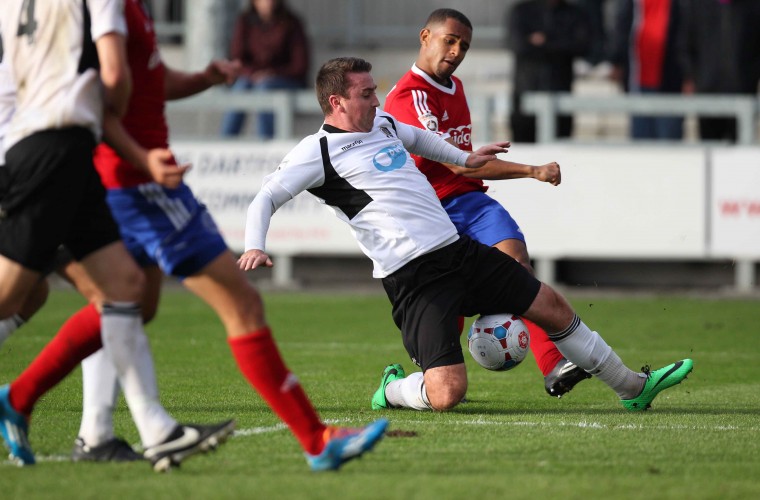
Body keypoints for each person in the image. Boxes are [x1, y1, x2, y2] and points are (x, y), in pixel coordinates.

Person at [2, 0, 388, 472]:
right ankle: (314, 438)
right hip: (136, 182)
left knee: (126, 302)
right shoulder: (106, 6)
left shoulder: (130, 9)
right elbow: (108, 88)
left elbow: (147, 79)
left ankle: (24, 400)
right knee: (238, 303)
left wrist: (204, 77)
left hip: (120, 173)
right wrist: (140, 155)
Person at [238, 56, 694, 414]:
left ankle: (632, 387)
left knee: (550, 304)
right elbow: (265, 198)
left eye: (375, 91)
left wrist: (467, 157)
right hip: (414, 278)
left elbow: (425, 144)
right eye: (366, 94)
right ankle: (394, 389)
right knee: (448, 393)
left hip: (458, 252)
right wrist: (255, 244)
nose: (377, 101)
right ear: (336, 102)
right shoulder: (314, 152)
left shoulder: (383, 126)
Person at [0, 0, 235, 469]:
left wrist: (137, 151)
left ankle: (151, 429)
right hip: (48, 149)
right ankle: (106, 428)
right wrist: (130, 131)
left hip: (57, 147)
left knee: (121, 289)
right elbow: (115, 76)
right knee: (14, 295)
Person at [383, 8, 589, 398]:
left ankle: (553, 365)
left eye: (464, 45)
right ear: (425, 36)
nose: (457, 51)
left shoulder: (455, 87)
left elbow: (458, 160)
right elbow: (456, 165)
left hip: (469, 202)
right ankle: (422, 372)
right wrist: (532, 170)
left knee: (517, 268)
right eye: (450, 40)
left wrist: (472, 156)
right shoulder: (410, 97)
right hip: (430, 211)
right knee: (448, 300)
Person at [220, 0, 310, 139]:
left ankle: (266, 143)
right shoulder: (245, 21)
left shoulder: (291, 22)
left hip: (285, 79)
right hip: (252, 78)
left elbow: (299, 65)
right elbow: (237, 58)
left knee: (264, 87)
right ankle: (225, 142)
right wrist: (253, 74)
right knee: (242, 86)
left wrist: (273, 74)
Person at [507, 0, 592, 142]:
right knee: (523, 151)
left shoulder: (574, 13)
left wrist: (544, 42)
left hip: (560, 94)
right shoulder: (522, 11)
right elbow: (517, 45)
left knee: (560, 149)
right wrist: (558, 43)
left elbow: (582, 46)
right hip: (525, 93)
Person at [679, 0, 760, 143]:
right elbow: (685, 43)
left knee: (740, 154)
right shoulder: (697, 6)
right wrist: (691, 76)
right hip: (707, 93)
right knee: (709, 153)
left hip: (742, 95)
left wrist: (751, 79)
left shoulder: (752, 6)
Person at [610, 0, 684, 140]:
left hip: (670, 82)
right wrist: (617, 60)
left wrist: (688, 74)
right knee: (641, 147)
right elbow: (623, 27)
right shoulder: (632, 4)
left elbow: (687, 34)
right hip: (638, 81)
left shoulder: (680, 4)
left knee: (670, 146)